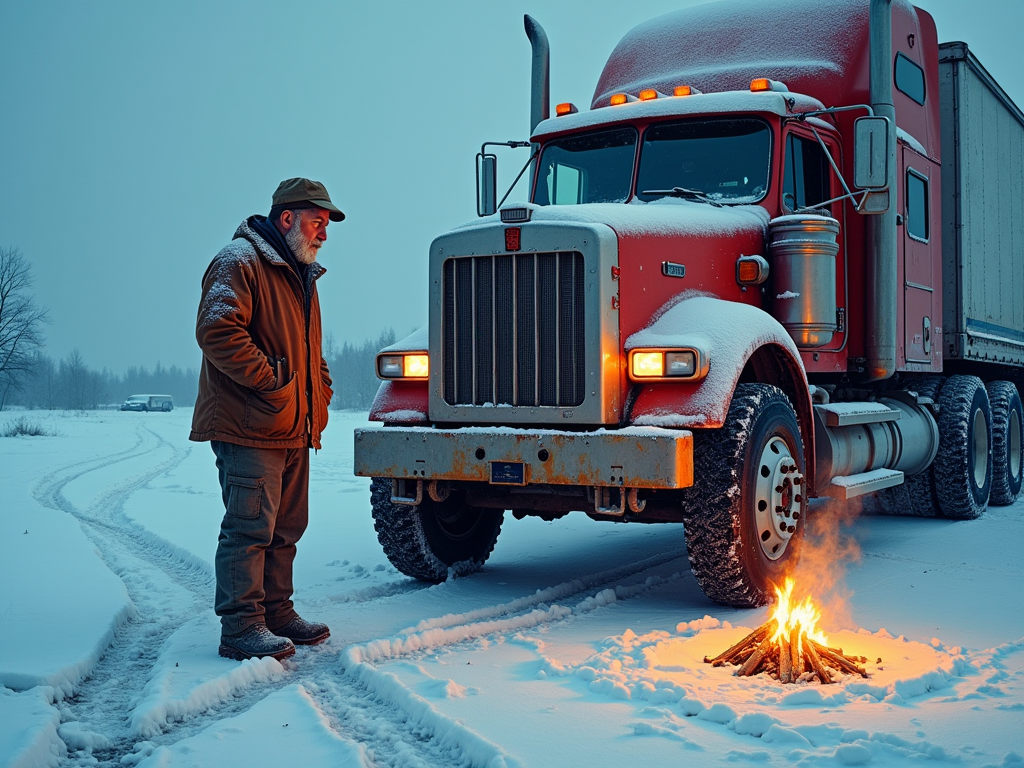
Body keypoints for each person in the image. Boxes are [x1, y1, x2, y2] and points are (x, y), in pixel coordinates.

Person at [190, 177, 342, 660]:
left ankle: (276, 613)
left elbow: (308, 351)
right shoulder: (239, 261)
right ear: (287, 219)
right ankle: (241, 626)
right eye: (317, 222)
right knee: (250, 526)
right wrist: (272, 382)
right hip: (249, 425)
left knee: (286, 527)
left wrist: (318, 390)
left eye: (325, 225)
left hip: (293, 426)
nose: (322, 233)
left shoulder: (302, 274)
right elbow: (216, 331)